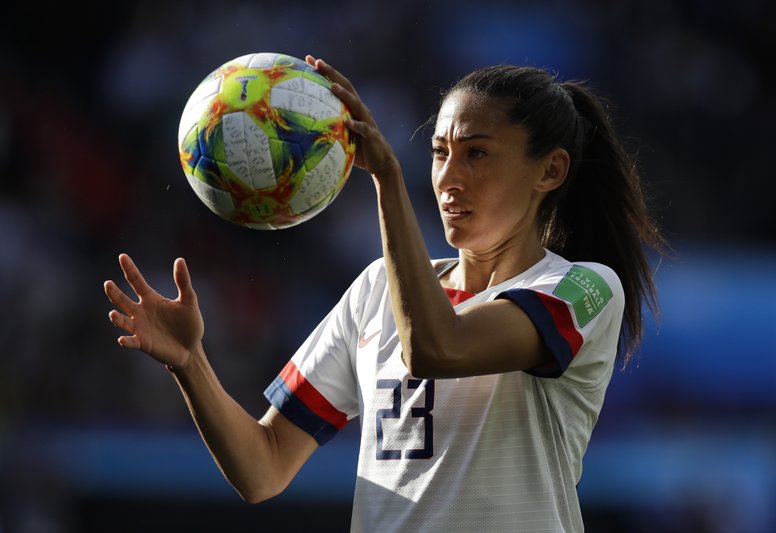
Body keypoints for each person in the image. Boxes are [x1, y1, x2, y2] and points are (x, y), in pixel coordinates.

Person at [104, 56, 666, 532]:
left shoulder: (582, 287)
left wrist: (387, 180)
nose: (448, 177)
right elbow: (263, 469)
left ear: (550, 171)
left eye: (477, 153)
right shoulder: (378, 288)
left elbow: (438, 348)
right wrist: (189, 363)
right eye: (440, 152)